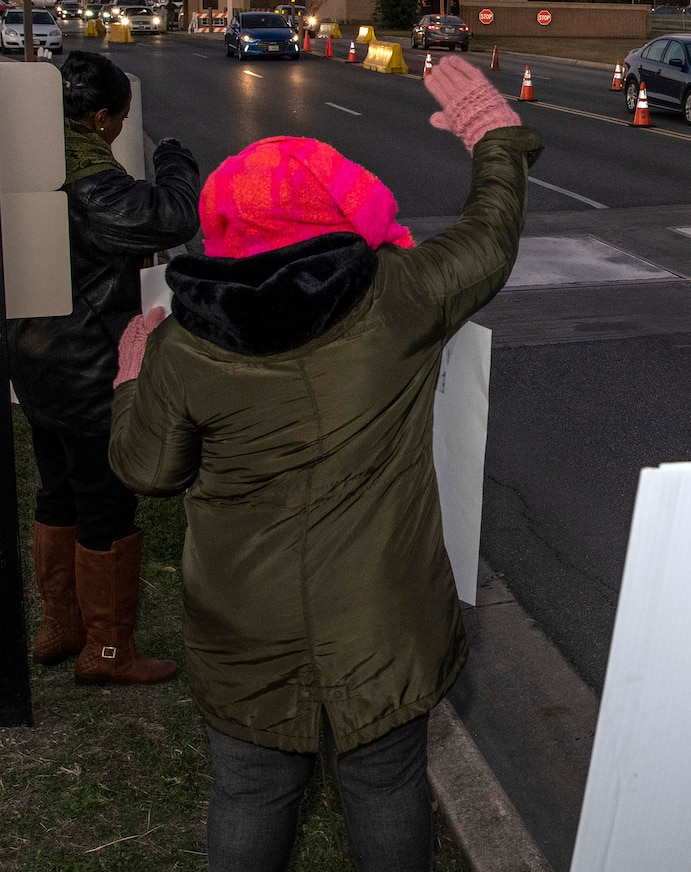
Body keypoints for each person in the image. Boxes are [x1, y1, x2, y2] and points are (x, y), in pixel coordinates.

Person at [106, 55, 541, 872]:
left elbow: (147, 469)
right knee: (386, 783)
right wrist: (495, 141)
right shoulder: (398, 297)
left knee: (248, 790)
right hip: (383, 611)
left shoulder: (181, 343)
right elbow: (490, 238)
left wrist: (132, 379)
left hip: (242, 615)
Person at [9, 49, 199, 686]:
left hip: (34, 360)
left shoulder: (24, 161)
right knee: (105, 504)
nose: (119, 129)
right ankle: (108, 650)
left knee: (55, 491)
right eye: (117, 119)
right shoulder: (90, 183)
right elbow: (169, 217)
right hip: (88, 368)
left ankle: (59, 626)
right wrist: (174, 160)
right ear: (97, 120)